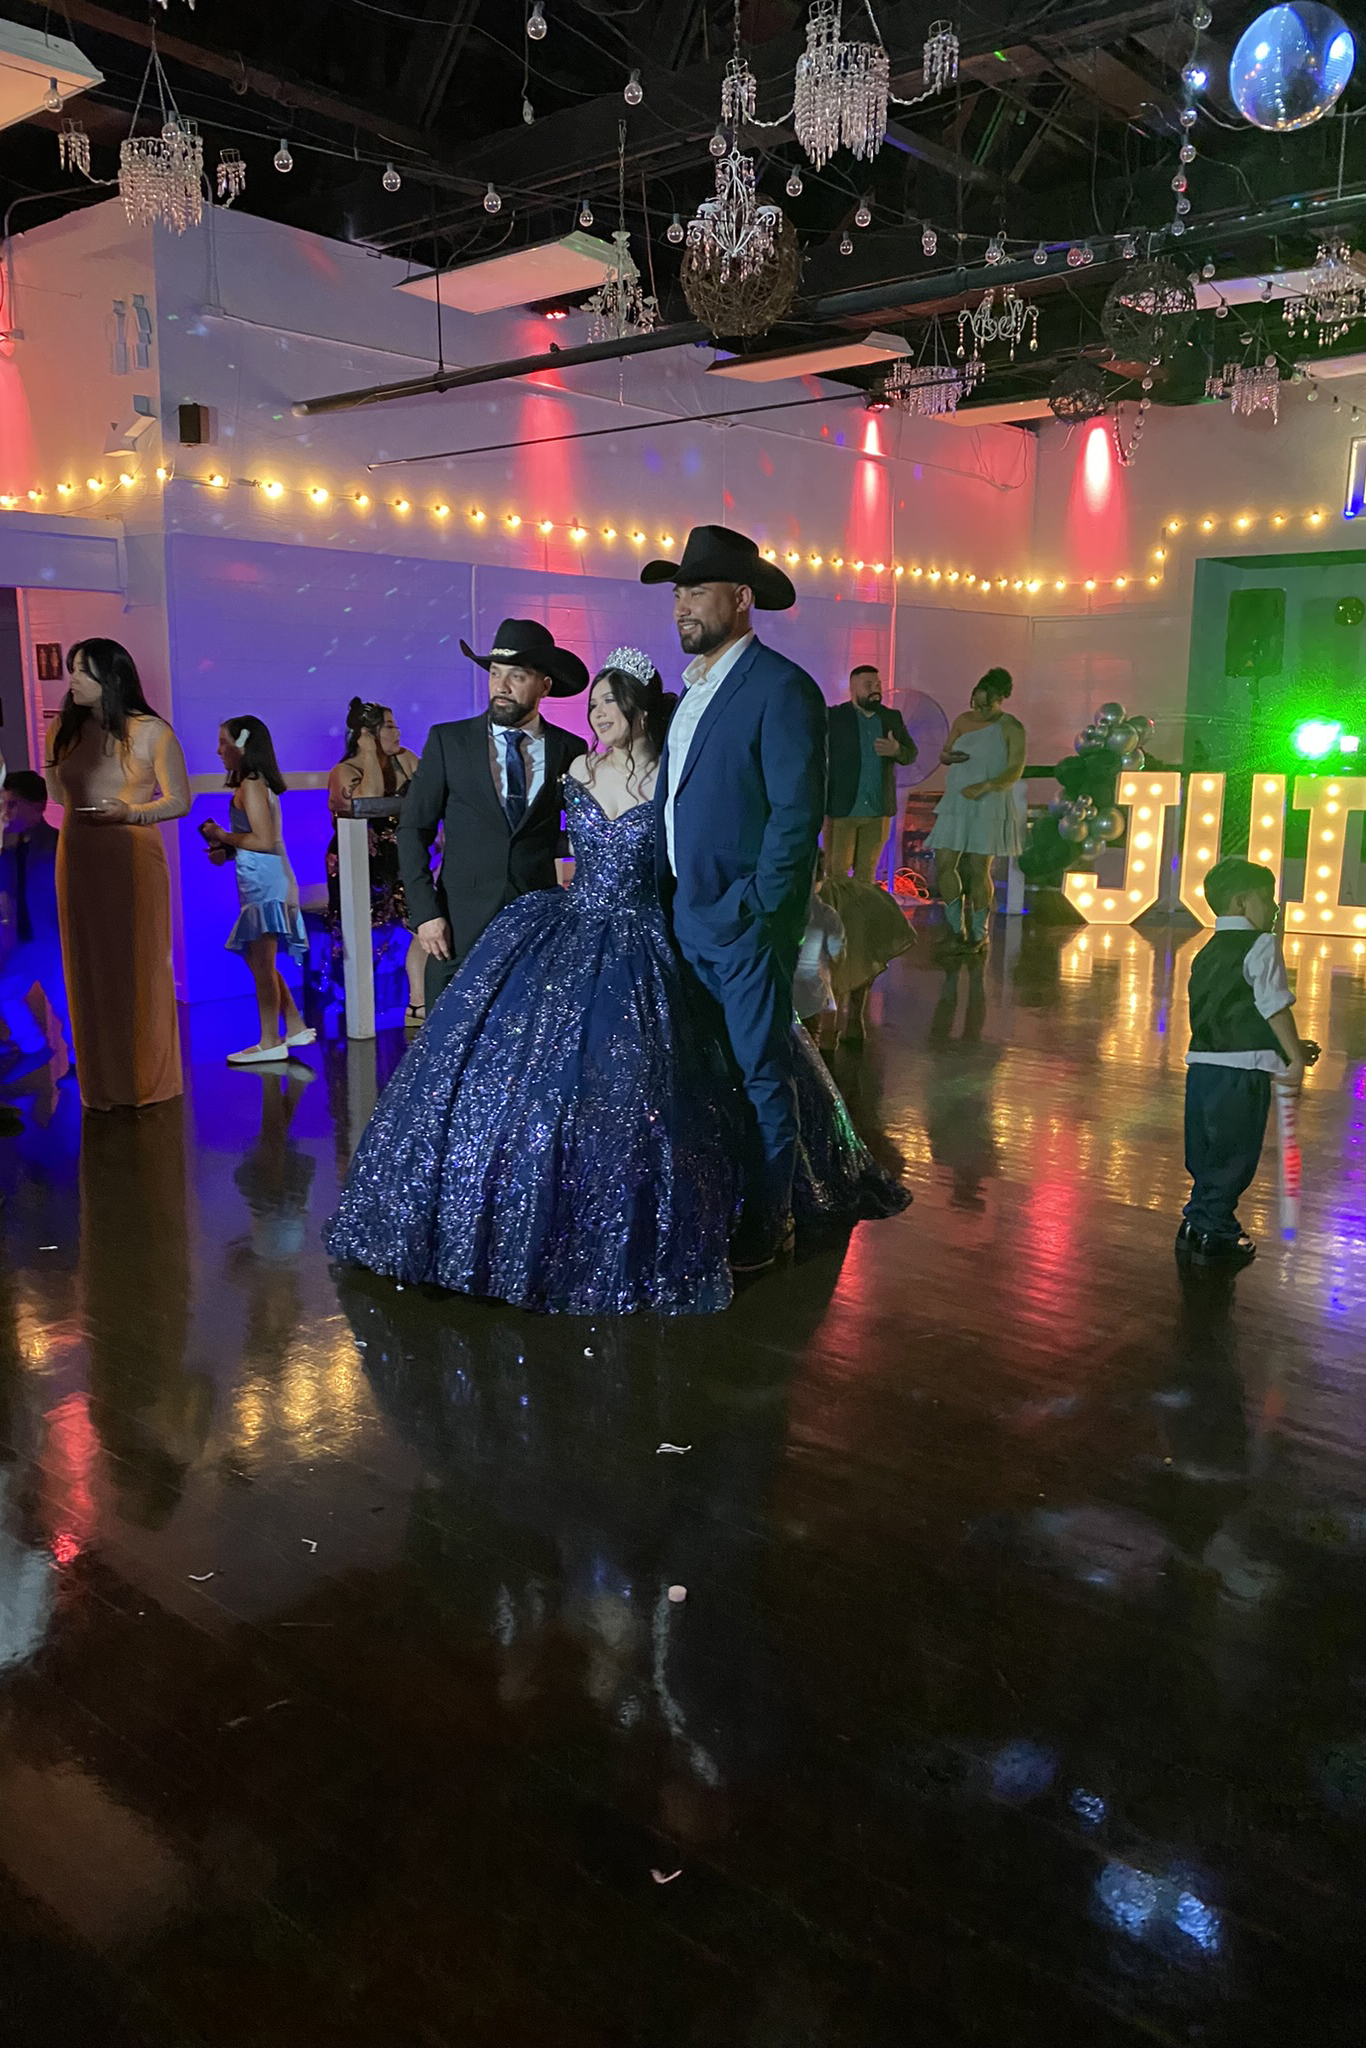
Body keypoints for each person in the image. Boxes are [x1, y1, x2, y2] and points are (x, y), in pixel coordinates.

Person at [325, 652, 904, 1316]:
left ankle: (727, 1212)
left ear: (638, 709)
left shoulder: (670, 778)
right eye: (593, 703)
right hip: (567, 924)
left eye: (609, 701)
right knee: (536, 1077)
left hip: (649, 930)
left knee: (650, 1079)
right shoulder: (577, 767)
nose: (597, 713)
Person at [645, 524, 828, 1270]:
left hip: (743, 920)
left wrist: (758, 907)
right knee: (706, 1070)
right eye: (679, 591)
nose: (682, 604)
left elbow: (796, 812)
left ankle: (772, 1217)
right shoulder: (689, 691)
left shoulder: (781, 687)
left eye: (697, 590)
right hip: (685, 912)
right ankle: (722, 1199)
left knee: (759, 1070)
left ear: (742, 598)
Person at [397, 618, 589, 1014]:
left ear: (545, 686)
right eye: (495, 674)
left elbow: (588, 832)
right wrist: (425, 914)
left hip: (536, 929)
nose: (500, 687)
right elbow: (413, 830)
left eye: (516, 676)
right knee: (448, 1057)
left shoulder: (570, 748)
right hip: (457, 929)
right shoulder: (449, 741)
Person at [48, 638, 191, 1111]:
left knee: (138, 965)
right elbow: (56, 789)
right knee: (87, 967)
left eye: (83, 672)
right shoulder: (63, 729)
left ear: (111, 679)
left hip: (132, 857)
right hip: (79, 857)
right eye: (71, 670)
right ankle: (100, 1083)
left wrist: (129, 811)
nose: (72, 681)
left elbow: (179, 800)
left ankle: (145, 1081)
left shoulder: (151, 731)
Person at [1180, 857, 1320, 1267]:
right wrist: (1293, 1059)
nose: (1275, 907)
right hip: (1243, 1073)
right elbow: (1274, 1006)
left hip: (1203, 1067)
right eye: (1267, 898)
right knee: (1236, 1154)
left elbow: (1229, 1013)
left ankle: (1195, 1223)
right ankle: (1215, 1231)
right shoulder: (1262, 943)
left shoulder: (1205, 951)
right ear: (1242, 903)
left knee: (1206, 1152)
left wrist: (1291, 1044)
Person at [202, 716, 315, 1068]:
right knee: (257, 960)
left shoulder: (251, 783)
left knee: (262, 965)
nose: (219, 751)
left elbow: (264, 841)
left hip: (265, 882)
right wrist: (229, 848)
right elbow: (258, 839)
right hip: (262, 879)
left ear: (243, 745)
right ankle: (292, 1025)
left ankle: (270, 1040)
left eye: (224, 743)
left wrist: (222, 835)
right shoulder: (252, 784)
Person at [325, 699, 425, 1026]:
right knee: (359, 932)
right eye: (390, 726)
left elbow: (431, 794)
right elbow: (368, 801)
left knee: (423, 921)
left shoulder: (405, 760)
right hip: (360, 858)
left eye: (396, 725)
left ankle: (418, 1003)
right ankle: (352, 1008)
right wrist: (369, 753)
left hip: (400, 856)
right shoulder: (344, 770)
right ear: (367, 733)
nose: (398, 732)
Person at [928, 666, 1026, 953]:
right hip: (957, 800)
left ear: (1000, 699)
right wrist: (949, 756)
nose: (979, 709)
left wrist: (984, 786)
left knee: (978, 867)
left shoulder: (1011, 727)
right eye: (975, 703)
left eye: (986, 705)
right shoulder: (962, 720)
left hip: (989, 802)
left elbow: (1014, 770)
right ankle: (955, 929)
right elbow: (944, 753)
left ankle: (979, 933)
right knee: (944, 862)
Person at [825, 663, 917, 885]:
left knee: (867, 875)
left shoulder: (891, 717)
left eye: (878, 684)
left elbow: (911, 754)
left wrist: (897, 751)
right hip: (843, 809)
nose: (876, 689)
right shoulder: (834, 717)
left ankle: (861, 918)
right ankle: (837, 917)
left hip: (878, 809)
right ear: (853, 689)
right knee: (836, 874)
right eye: (868, 685)